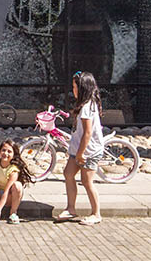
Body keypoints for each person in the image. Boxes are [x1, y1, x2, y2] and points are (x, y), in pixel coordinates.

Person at [56, 70, 104, 224]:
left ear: (83, 88)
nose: (73, 90)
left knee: (86, 180)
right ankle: (71, 209)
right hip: (78, 148)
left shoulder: (87, 107)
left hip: (88, 151)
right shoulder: (86, 104)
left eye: (75, 87)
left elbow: (88, 133)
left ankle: (96, 213)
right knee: (68, 173)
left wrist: (80, 154)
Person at [0, 139, 31, 223]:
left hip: (8, 196)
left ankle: (13, 212)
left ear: (13, 154)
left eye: (9, 151)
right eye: (3, 150)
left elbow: (6, 191)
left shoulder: (13, 169)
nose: (5, 153)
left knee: (18, 185)